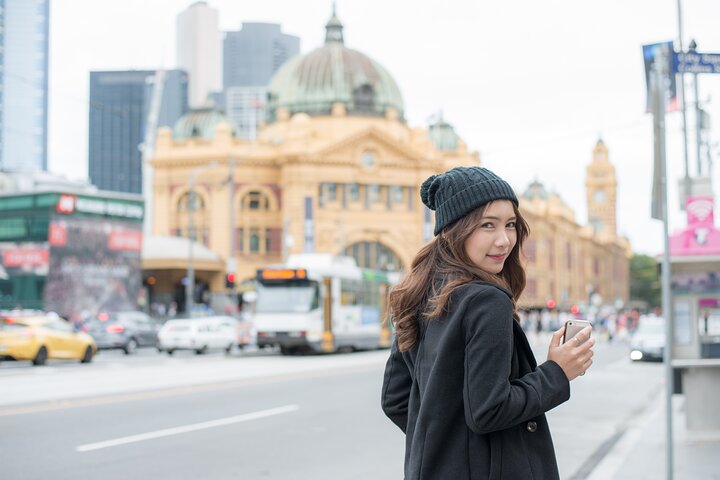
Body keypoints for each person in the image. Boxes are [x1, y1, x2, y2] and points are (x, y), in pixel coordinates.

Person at [381, 166, 594, 479]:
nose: (504, 240)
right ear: (455, 229)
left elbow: (396, 399)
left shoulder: (420, 292)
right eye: (487, 226)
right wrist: (557, 372)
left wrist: (446, 447)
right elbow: (489, 409)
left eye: (510, 225)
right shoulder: (485, 300)